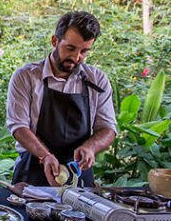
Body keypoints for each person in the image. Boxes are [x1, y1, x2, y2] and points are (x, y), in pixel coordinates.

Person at [7, 11, 117, 187]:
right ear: (54, 41)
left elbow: (108, 129)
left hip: (79, 177)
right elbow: (18, 127)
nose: (76, 57)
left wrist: (90, 147)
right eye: (70, 48)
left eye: (84, 51)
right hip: (32, 174)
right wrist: (46, 156)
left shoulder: (98, 80)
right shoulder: (25, 77)